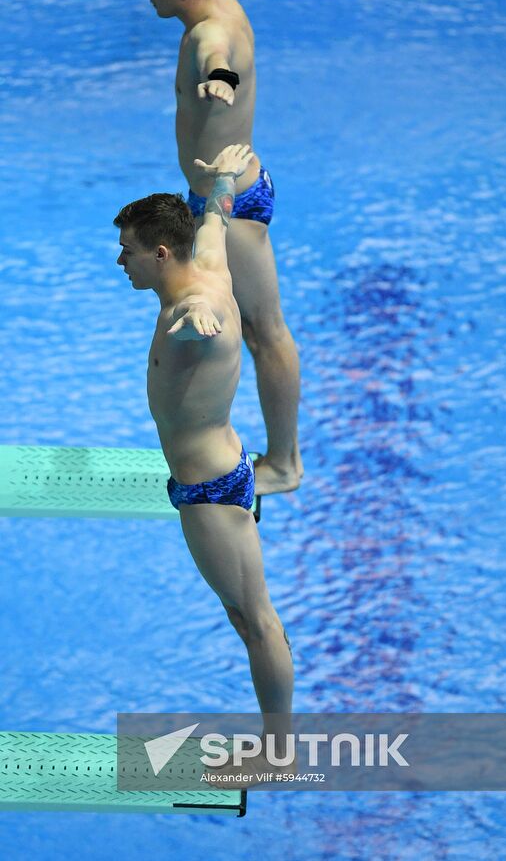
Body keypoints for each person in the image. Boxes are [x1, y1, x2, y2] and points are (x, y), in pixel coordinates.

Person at [114, 143, 293, 775]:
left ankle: (278, 752)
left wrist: (194, 316)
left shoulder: (198, 306)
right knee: (245, 615)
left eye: (128, 250)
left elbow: (203, 318)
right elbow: (215, 217)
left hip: (211, 492)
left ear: (160, 253)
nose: (122, 261)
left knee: (256, 621)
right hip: (217, 473)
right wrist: (219, 180)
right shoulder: (207, 259)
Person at [142, 0, 302, 496]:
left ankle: (285, 464)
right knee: (261, 330)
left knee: (266, 332)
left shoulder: (211, 35)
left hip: (229, 204)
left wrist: (221, 84)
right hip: (226, 192)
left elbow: (219, 60)